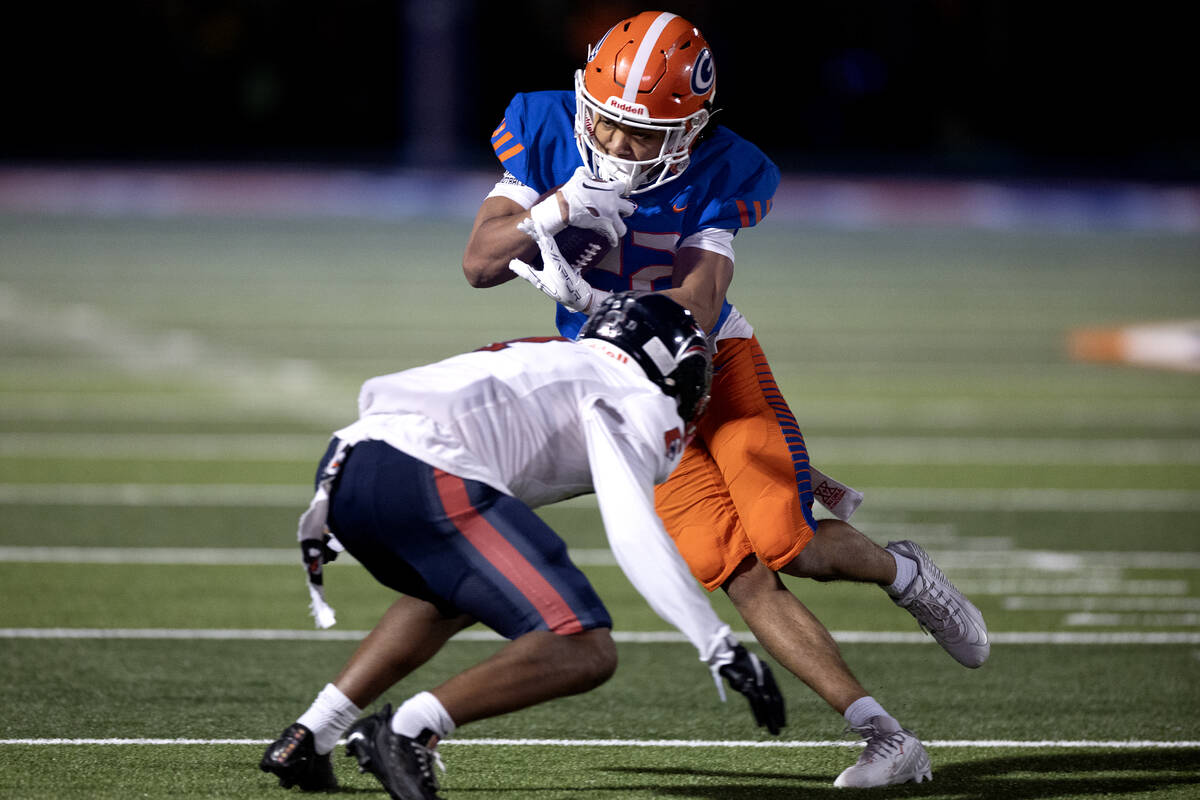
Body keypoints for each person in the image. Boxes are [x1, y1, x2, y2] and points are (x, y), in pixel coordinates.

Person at [462, 9, 989, 788]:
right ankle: (886, 737)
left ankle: (904, 575)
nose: (614, 145)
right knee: (739, 574)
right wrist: (554, 211)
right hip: (615, 376)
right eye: (605, 123)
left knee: (796, 545)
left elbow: (702, 298)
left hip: (710, 362)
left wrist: (616, 309)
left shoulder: (725, 168)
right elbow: (478, 264)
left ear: (692, 127)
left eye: (641, 134)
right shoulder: (544, 129)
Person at [258, 292, 785, 800]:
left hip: (347, 472)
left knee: (458, 591)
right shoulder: (632, 393)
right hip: (426, 470)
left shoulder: (557, 356)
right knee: (583, 646)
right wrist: (716, 643)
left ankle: (311, 736)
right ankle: (408, 728)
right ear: (661, 359)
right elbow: (632, 529)